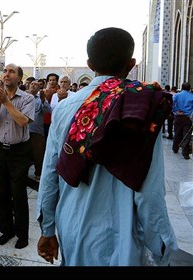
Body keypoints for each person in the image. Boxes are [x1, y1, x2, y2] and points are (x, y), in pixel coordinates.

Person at [36, 27, 178, 266]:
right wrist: (162, 245)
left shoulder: (64, 107)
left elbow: (51, 172)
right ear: (131, 63)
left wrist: (47, 228)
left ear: (90, 64)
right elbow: (149, 189)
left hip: (71, 227)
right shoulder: (140, 108)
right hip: (119, 237)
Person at [0, 63, 35, 249]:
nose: (6, 74)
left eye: (11, 72)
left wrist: (5, 101)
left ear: (19, 78)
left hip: (19, 152)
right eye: (5, 71)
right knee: (2, 192)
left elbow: (23, 121)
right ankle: (6, 230)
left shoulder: (27, 98)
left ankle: (22, 234)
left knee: (18, 193)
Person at [172, 82, 193, 159]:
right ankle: (185, 153)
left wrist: (175, 111)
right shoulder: (192, 96)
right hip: (188, 118)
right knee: (186, 135)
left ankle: (175, 148)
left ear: (181, 87)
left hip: (178, 117)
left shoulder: (176, 95)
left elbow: (172, 104)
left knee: (177, 133)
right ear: (189, 88)